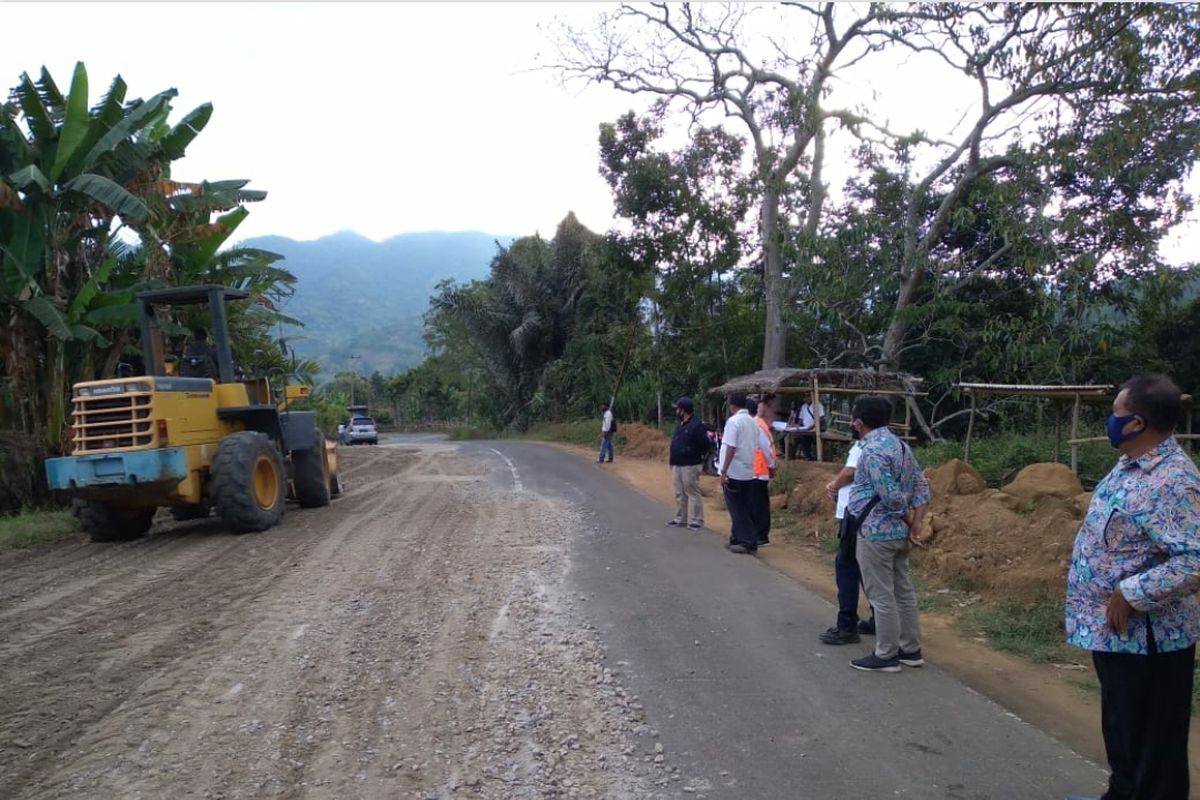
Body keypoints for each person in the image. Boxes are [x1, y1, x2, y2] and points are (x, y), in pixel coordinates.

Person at [1062, 375, 1200, 800]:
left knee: (1154, 745)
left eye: (1117, 413)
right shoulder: (1131, 465)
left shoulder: (1173, 479)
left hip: (1151, 639)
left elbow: (1194, 557)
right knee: (1123, 728)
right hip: (1118, 634)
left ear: (1137, 423)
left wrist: (1131, 593)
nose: (1111, 420)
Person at [846, 395, 930, 673]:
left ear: (859, 422)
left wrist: (908, 518)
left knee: (881, 595)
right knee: (903, 591)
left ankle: (886, 654)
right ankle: (910, 649)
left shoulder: (871, 453)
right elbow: (921, 485)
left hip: (876, 532)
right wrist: (916, 522)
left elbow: (891, 497)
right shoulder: (901, 447)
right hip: (898, 535)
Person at [819, 435, 876, 645]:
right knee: (865, 569)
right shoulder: (890, 443)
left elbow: (851, 471)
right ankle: (878, 619)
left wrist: (834, 484)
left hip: (854, 514)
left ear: (860, 422)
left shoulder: (864, 444)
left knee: (847, 567)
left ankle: (847, 625)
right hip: (868, 515)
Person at [719, 393, 761, 555]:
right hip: (748, 471)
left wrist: (724, 471)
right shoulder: (753, 422)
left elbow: (731, 447)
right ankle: (736, 538)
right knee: (744, 506)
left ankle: (747, 541)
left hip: (734, 471)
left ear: (732, 406)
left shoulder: (733, 422)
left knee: (737, 509)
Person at [667, 396, 710, 530]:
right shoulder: (680, 424)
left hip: (690, 464)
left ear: (683, 410)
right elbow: (674, 443)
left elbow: (705, 444)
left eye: (678, 409)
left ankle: (697, 520)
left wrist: (690, 451)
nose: (676, 412)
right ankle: (681, 518)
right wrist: (672, 460)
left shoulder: (696, 425)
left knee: (692, 492)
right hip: (678, 464)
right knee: (679, 492)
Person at [751, 393, 779, 547]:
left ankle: (761, 534)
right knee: (759, 504)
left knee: (759, 505)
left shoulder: (759, 425)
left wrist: (771, 466)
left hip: (758, 472)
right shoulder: (759, 424)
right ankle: (760, 533)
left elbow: (766, 449)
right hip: (758, 471)